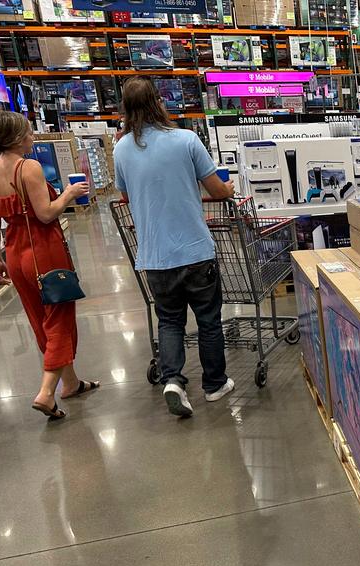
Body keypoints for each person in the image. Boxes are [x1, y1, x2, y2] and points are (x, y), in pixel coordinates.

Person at [114, 77, 236, 418]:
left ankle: (173, 381)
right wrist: (225, 187)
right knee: (209, 320)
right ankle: (214, 385)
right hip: (196, 251)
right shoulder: (186, 139)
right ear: (158, 102)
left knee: (169, 322)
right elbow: (217, 190)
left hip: (155, 255)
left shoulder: (121, 148)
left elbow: (127, 196)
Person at [0, 111, 98, 421]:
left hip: (15, 254)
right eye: (29, 133)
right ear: (18, 139)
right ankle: (46, 392)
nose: (33, 138)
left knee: (38, 318)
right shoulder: (28, 167)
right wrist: (69, 193)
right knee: (59, 319)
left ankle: (70, 383)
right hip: (44, 252)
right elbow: (46, 214)